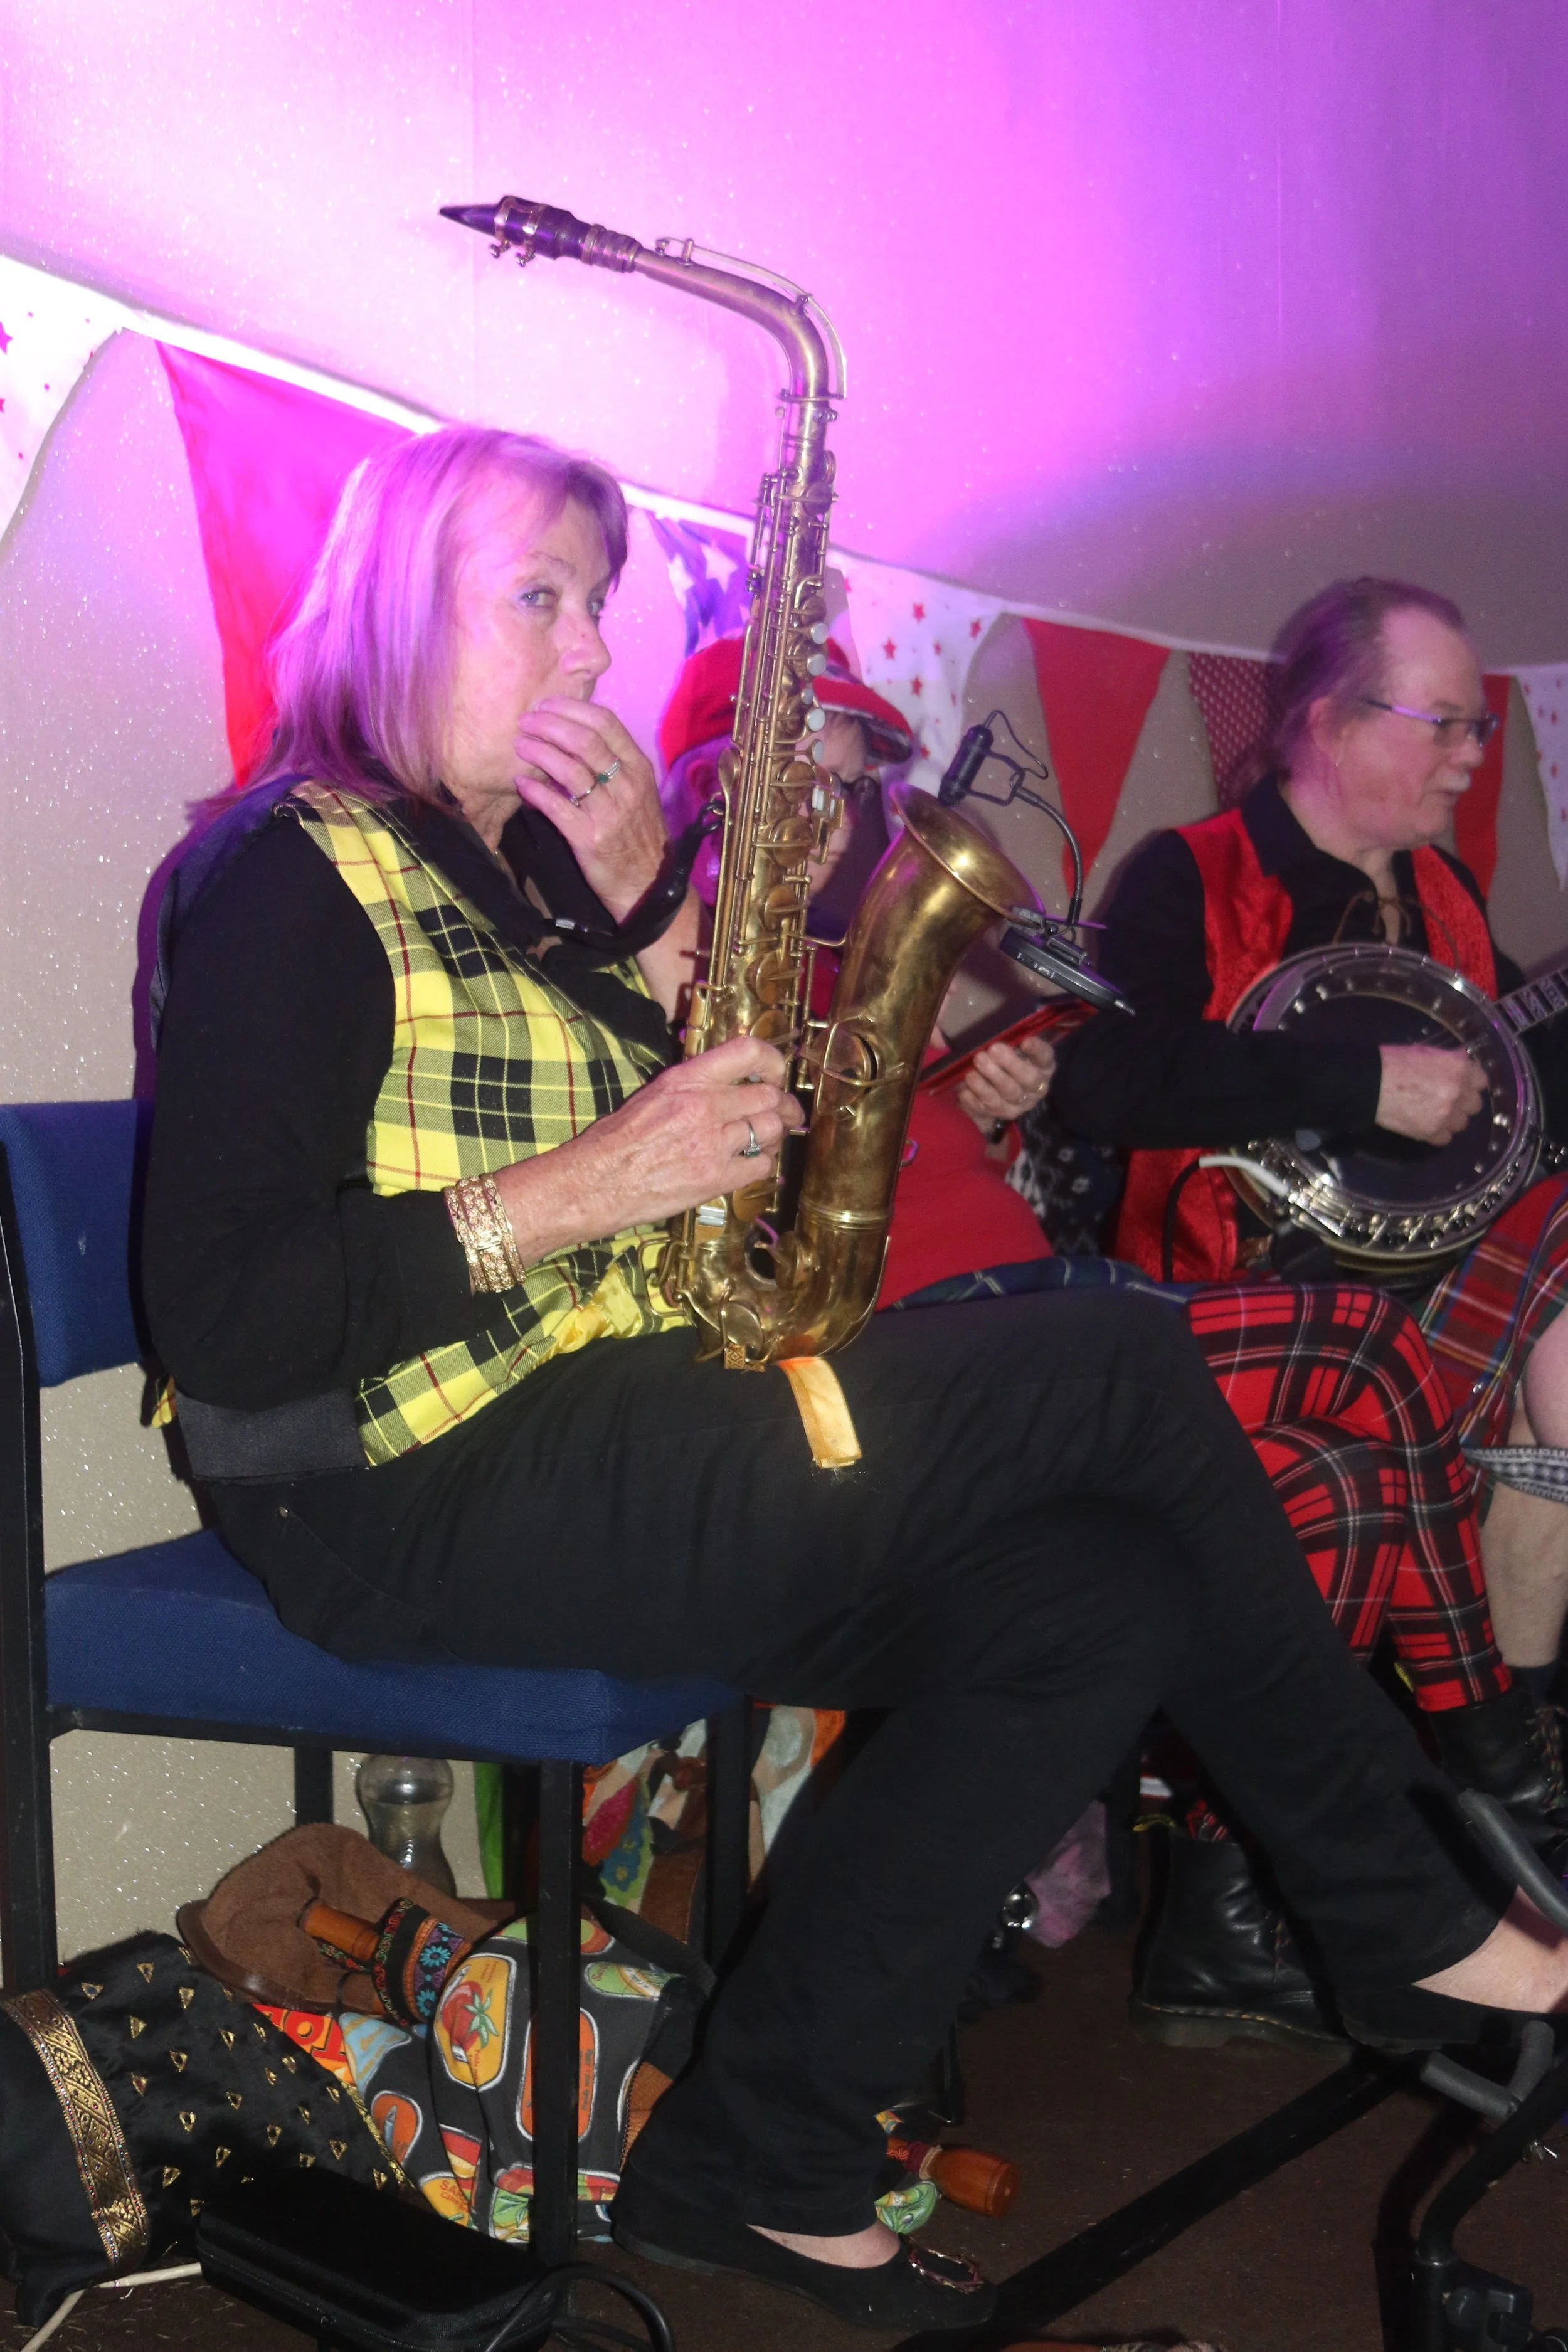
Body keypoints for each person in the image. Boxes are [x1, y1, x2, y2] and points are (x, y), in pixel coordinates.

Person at [142, 440, 1568, 2332]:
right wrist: (585, 1184)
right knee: (1118, 1355)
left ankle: (772, 2154)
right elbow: (231, 1320)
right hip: (391, 1490)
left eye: (599, 599)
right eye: (536, 596)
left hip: (610, 1434)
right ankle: (1394, 1900)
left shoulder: (512, 874)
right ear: (400, 597)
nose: (586, 650)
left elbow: (728, 1153)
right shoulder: (280, 871)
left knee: (1102, 1594)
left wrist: (659, 917)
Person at [656, 635, 1555, 2048]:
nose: (829, 810)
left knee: (1350, 1480)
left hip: (1038, 1340)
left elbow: (962, 1164)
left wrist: (992, 1096)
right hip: (953, 1371)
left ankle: (1237, 1912)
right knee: (1364, 1356)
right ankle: (1497, 1801)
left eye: (848, 778)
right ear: (709, 796)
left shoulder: (850, 979)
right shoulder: (685, 983)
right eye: (796, 777)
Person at [1054, 578, 1568, 1779]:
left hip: (1442, 1287)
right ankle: (1491, 1748)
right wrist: (1356, 1081)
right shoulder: (1193, 873)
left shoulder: (1447, 898)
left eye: (1480, 727)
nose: (1469, 757)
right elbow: (1106, 1081)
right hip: (1239, 1301)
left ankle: (1518, 1754)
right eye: (1442, 722)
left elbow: (1506, 1114)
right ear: (1330, 723)